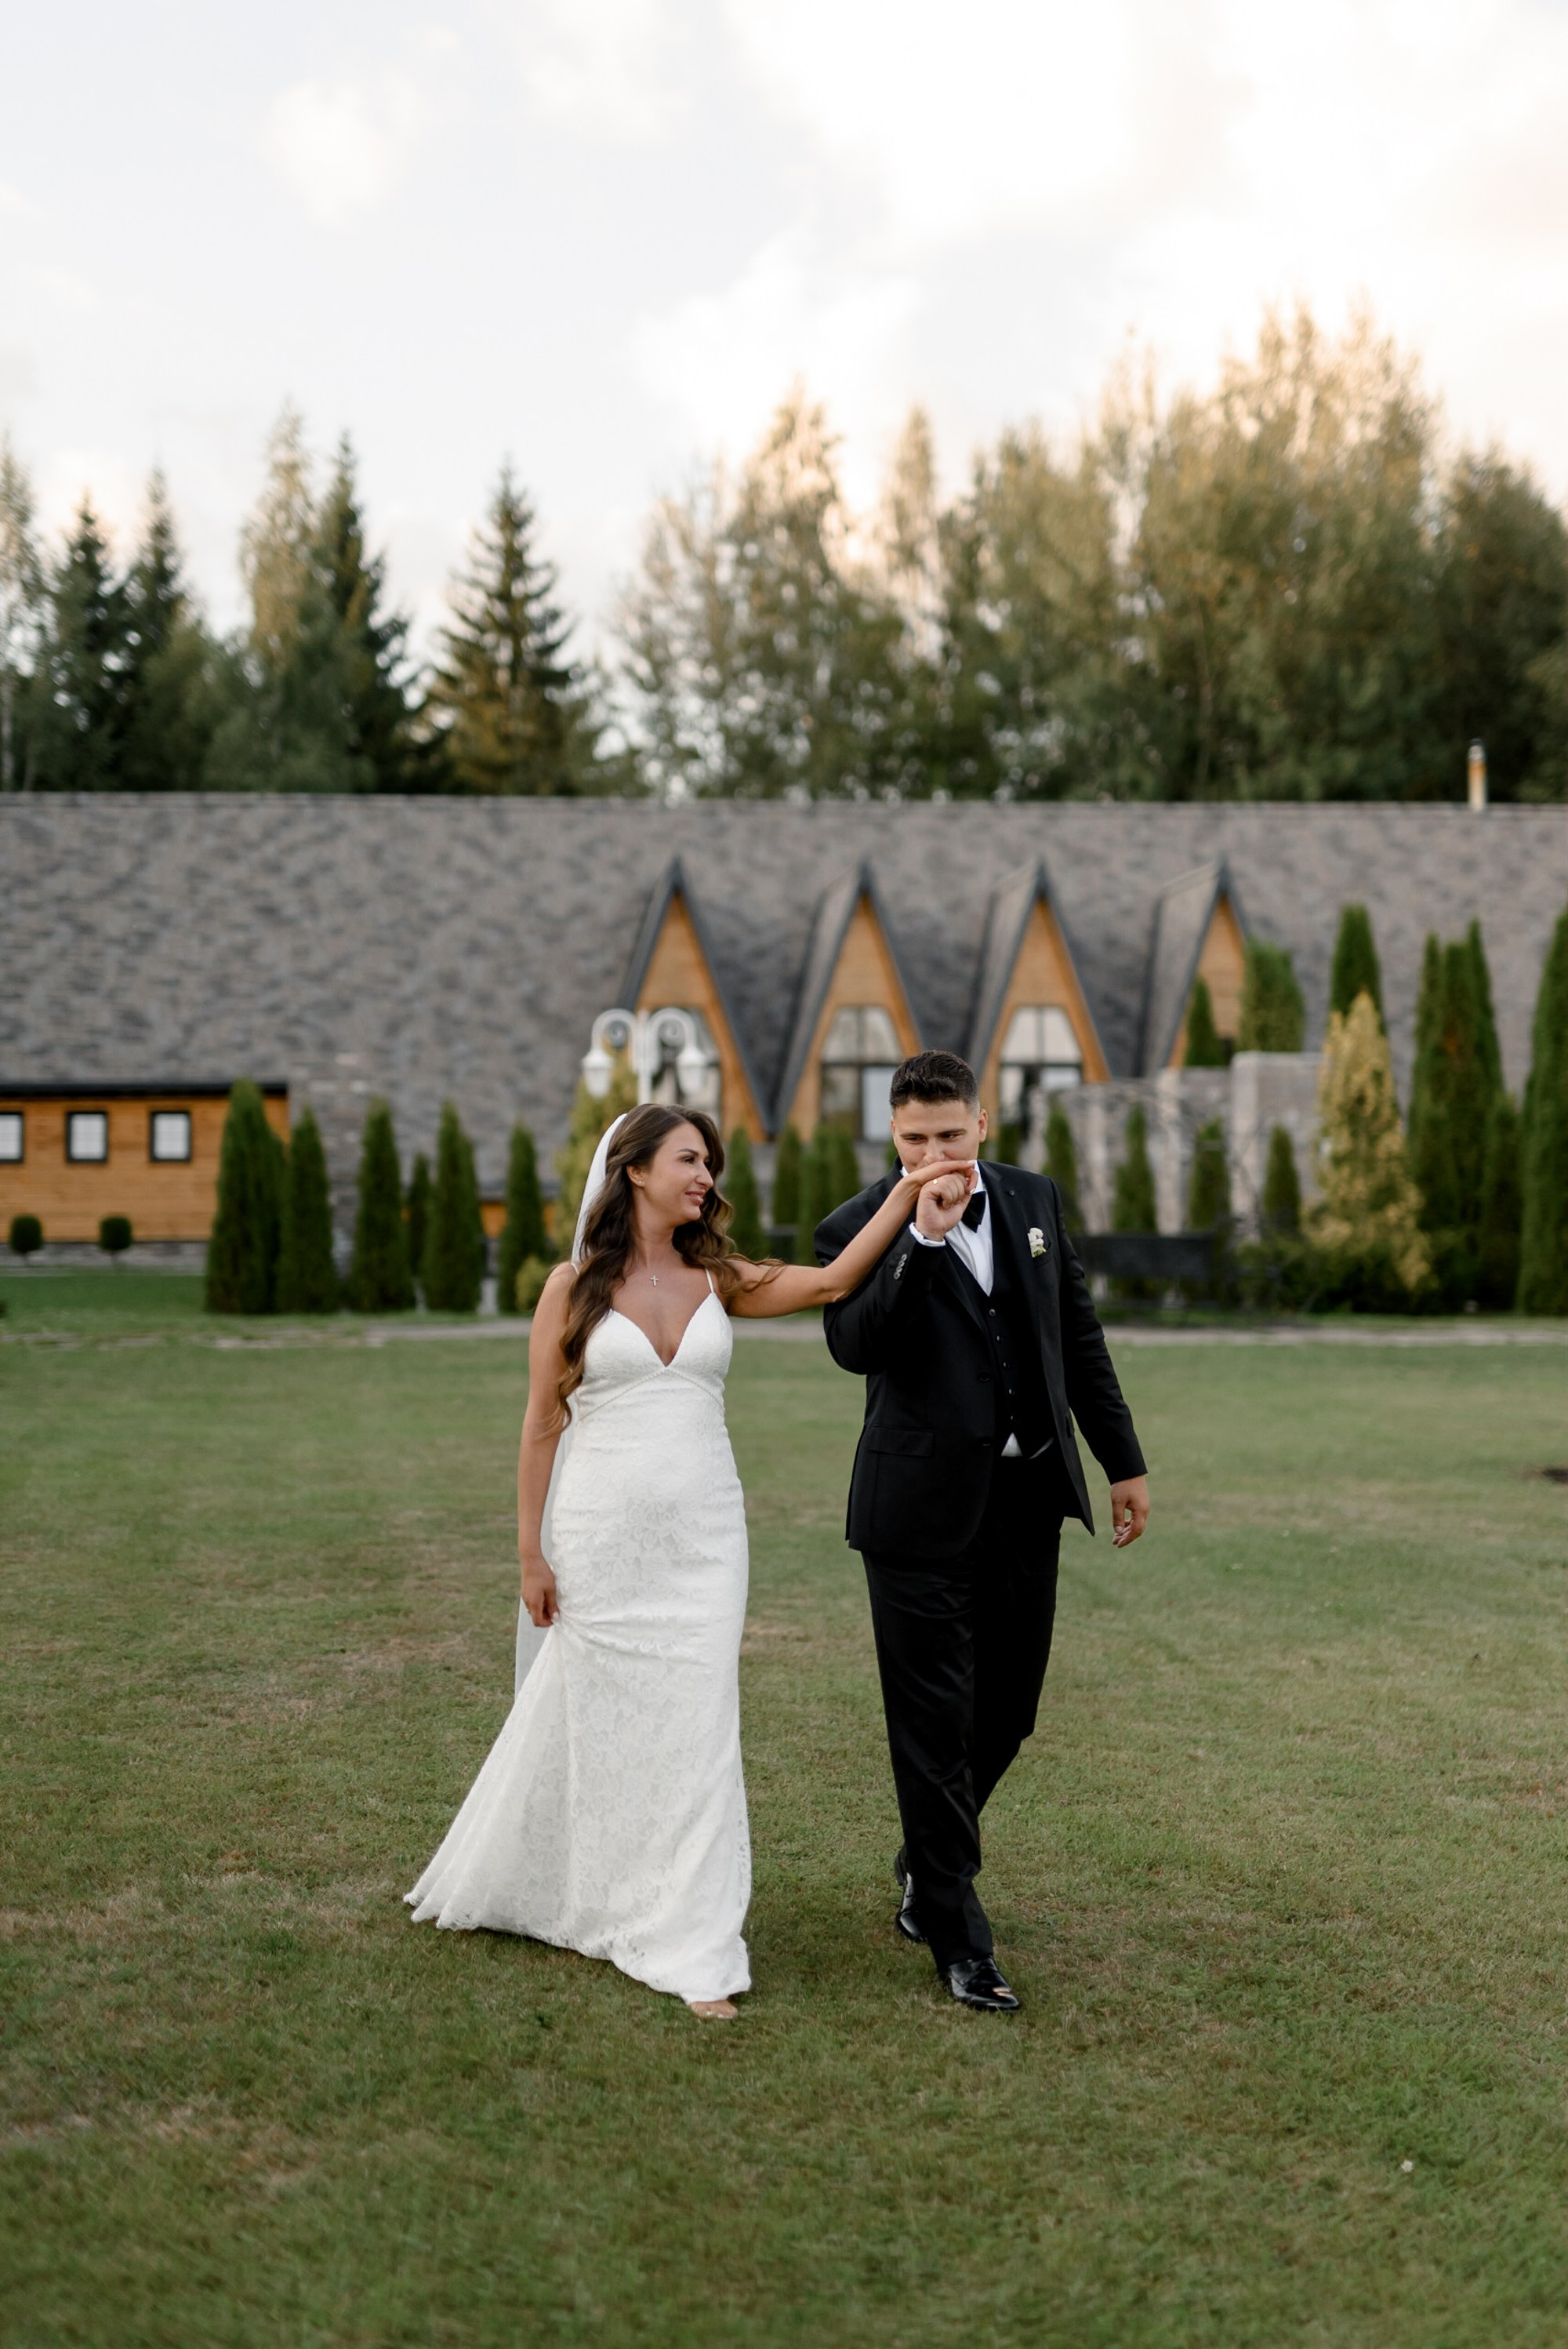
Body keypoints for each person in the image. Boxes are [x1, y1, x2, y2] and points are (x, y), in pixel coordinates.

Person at [406, 1100, 970, 2020]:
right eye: (688, 1159)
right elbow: (540, 1426)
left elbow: (831, 1281)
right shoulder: (572, 1285)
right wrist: (529, 1552)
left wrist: (908, 1194)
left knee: (699, 1723)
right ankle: (586, 1886)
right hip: (599, 1540)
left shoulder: (721, 1276)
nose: (706, 1175)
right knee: (600, 1719)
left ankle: (693, 1940)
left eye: (708, 1162)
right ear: (632, 1169)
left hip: (707, 1541)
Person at [816, 1050, 1149, 2015]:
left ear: (982, 1122)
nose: (933, 1155)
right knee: (929, 1723)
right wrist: (919, 1242)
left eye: (949, 1136)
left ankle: (927, 1860)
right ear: (893, 1134)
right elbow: (855, 1345)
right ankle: (958, 1936)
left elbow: (1074, 1335)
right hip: (913, 1515)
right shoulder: (858, 1224)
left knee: (1005, 1710)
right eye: (914, 1139)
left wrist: (1120, 1460)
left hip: (1024, 1499)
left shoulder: (1033, 1199)